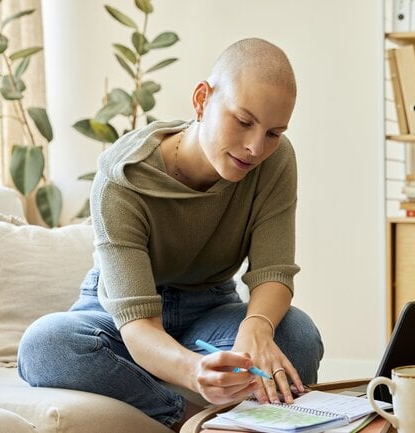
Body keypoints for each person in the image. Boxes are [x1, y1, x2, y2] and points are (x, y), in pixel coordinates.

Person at [17, 38, 324, 431]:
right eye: (243, 121)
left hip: (210, 307)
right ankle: (192, 419)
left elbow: (273, 272)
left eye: (273, 132)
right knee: (45, 346)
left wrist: (257, 327)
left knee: (298, 335)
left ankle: (171, 389)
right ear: (202, 100)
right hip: (121, 318)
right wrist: (194, 372)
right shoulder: (122, 178)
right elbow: (138, 325)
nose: (254, 147)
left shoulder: (276, 160)